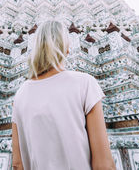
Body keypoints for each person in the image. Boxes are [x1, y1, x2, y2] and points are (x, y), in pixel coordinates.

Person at [11, 19, 116, 170]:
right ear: (67, 48)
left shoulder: (20, 95)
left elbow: (17, 164)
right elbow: (103, 164)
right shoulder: (84, 84)